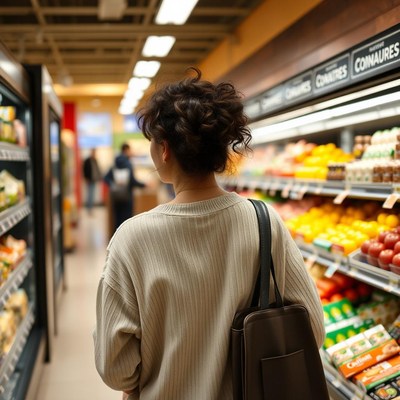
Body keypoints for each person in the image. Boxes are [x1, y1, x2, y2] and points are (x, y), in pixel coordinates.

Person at [93, 68, 325, 400]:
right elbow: (311, 330)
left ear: (164, 150)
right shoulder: (264, 221)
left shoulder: (131, 239)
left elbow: (116, 368)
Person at [104, 142, 146, 231]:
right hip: (127, 197)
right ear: (126, 150)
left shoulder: (115, 163)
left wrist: (113, 184)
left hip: (116, 196)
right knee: (127, 220)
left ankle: (117, 239)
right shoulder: (128, 164)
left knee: (117, 219)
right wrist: (144, 185)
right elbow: (133, 181)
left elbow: (106, 178)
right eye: (129, 150)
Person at [82, 148, 102, 215]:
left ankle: (91, 209)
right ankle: (89, 209)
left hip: (94, 180)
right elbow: (84, 170)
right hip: (89, 180)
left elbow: (97, 170)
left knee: (92, 195)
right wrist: (86, 178)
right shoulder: (87, 160)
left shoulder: (95, 160)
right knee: (90, 195)